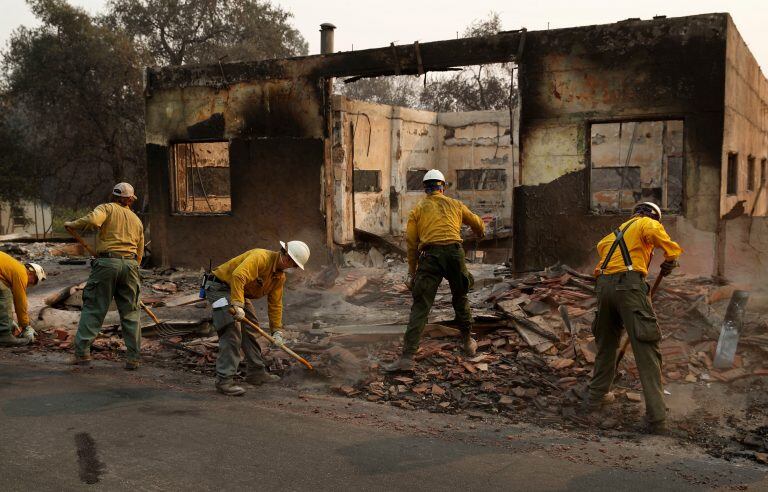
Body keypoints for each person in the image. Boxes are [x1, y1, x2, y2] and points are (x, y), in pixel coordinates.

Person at [586, 201, 683, 434]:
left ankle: (594, 399)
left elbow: (601, 250)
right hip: (628, 287)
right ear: (653, 216)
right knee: (646, 347)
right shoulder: (647, 223)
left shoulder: (611, 236)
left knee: (606, 345)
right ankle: (657, 419)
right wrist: (671, 257)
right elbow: (660, 239)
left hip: (603, 288)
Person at [384, 169, 486, 373]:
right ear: (443, 187)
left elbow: (411, 243)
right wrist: (480, 233)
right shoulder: (455, 204)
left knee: (421, 306)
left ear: (425, 189)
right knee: (460, 297)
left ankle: (407, 357)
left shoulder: (418, 209)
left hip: (429, 257)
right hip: (455, 255)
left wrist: (412, 273)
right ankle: (467, 341)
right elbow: (478, 224)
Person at [205, 240, 310, 396]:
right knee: (232, 331)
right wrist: (238, 305)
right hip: (220, 287)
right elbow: (238, 276)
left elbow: (275, 305)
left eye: (294, 266)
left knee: (252, 327)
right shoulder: (260, 257)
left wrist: (277, 331)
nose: (290, 266)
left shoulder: (279, 278)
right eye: (292, 262)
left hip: (239, 292)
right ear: (285, 255)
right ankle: (224, 381)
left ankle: (256, 373)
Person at [64, 182, 144, 369]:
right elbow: (139, 253)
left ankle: (82, 354)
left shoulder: (106, 208)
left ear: (113, 196)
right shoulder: (137, 220)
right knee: (131, 313)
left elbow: (93, 221)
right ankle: (133, 359)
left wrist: (72, 224)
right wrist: (129, 268)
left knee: (94, 308)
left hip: (107, 263)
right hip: (131, 265)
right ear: (130, 200)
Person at [0, 252, 45, 346]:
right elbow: (20, 302)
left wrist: (8, 319)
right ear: (32, 273)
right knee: (5, 295)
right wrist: (25, 326)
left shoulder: (13, 269)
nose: (31, 284)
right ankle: (4, 336)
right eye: (35, 281)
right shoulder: (22, 273)